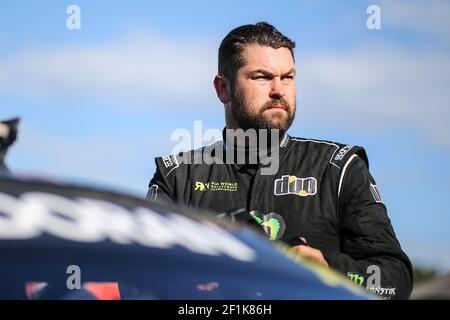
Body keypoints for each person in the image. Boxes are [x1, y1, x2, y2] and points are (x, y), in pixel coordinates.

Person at [147, 22, 413, 299]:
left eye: (287, 77)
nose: (278, 90)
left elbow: (396, 280)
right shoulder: (177, 176)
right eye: (262, 77)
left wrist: (328, 269)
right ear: (223, 88)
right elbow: (138, 275)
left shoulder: (339, 168)